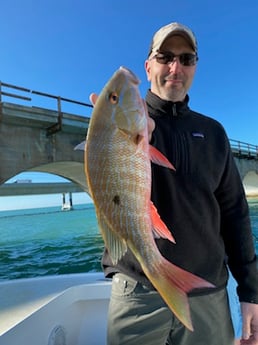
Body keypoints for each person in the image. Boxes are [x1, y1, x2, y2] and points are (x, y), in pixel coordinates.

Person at [100, 22, 258, 345]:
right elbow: (109, 196)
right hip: (137, 292)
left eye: (186, 59)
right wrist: (107, 140)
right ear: (148, 66)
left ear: (195, 67)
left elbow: (235, 216)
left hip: (207, 294)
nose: (176, 67)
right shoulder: (118, 129)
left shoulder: (214, 134)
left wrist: (250, 290)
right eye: (165, 56)